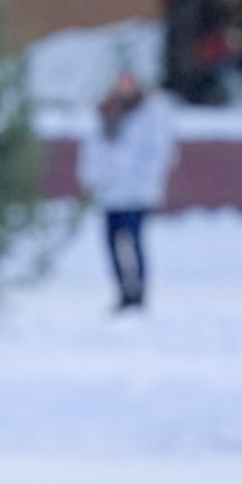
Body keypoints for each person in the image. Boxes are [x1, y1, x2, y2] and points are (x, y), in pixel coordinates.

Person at [76, 72, 178, 313]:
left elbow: (158, 151)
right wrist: (92, 178)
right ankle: (122, 293)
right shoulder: (106, 112)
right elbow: (93, 148)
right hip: (109, 191)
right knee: (111, 243)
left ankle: (139, 294)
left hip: (136, 191)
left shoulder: (151, 113)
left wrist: (148, 179)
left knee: (133, 241)